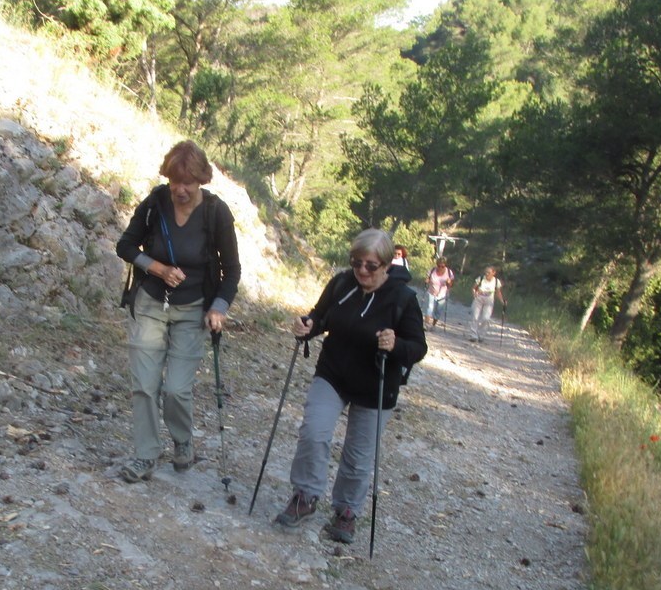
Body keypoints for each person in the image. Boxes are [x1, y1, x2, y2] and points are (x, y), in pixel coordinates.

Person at [274, 229, 427, 543]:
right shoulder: (342, 284)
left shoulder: (403, 299)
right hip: (333, 374)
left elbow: (418, 347)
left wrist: (396, 345)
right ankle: (305, 496)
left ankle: (346, 511)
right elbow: (320, 317)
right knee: (314, 432)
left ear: (386, 265)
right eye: (357, 262)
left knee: (358, 455)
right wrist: (307, 326)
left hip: (377, 385)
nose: (362, 271)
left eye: (370, 265)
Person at [115, 140, 241, 483]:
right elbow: (125, 245)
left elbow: (231, 269)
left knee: (176, 389)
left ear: (201, 180)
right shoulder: (155, 203)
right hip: (151, 303)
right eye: (175, 181)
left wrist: (219, 307)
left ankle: (182, 440)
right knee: (144, 385)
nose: (180, 189)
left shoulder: (216, 213)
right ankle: (146, 455)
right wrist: (157, 268)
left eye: (188, 183)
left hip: (193, 309)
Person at [470, 266, 505, 343]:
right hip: (479, 298)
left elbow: (498, 292)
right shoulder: (481, 278)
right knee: (475, 317)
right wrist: (474, 294)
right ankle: (473, 335)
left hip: (489, 300)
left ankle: (481, 335)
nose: (487, 274)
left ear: (493, 273)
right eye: (486, 272)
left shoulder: (496, 281)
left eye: (489, 272)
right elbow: (473, 287)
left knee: (486, 318)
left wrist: (502, 301)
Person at [424, 256, 454, 328]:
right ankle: (426, 324)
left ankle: (433, 324)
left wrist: (449, 282)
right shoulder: (432, 270)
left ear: (445, 265)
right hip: (431, 292)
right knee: (429, 308)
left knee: (438, 311)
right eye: (438, 266)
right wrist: (427, 280)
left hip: (442, 294)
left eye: (442, 266)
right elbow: (427, 278)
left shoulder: (449, 273)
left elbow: (451, 285)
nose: (440, 268)